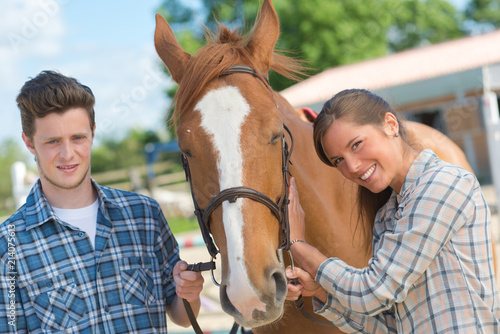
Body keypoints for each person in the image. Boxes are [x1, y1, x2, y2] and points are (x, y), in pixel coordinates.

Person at [0, 70, 203, 333]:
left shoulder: (145, 215)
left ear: (93, 133)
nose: (67, 153)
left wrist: (190, 294)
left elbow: (183, 316)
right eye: (52, 141)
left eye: (78, 138)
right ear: (29, 142)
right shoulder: (9, 246)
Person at [286, 89, 500, 333]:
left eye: (356, 145)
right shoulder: (387, 215)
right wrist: (322, 292)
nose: (352, 167)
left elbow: (375, 291)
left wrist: (298, 245)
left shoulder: (442, 184)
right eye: (339, 160)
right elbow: (390, 326)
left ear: (390, 124)